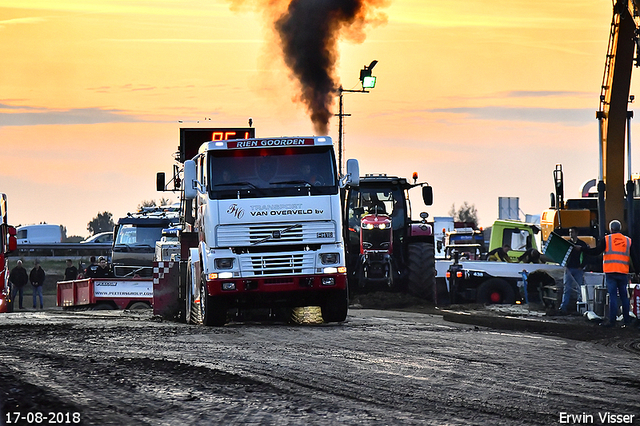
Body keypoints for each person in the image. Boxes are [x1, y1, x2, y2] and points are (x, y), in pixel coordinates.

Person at [582, 220, 633, 327]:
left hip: (611, 272)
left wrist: (583, 249)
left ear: (611, 229)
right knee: (624, 297)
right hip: (623, 272)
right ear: (620, 228)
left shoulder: (607, 239)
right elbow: (635, 257)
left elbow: (596, 251)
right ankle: (627, 321)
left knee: (613, 296)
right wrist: (637, 271)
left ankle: (612, 321)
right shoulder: (628, 240)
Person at [558, 227, 589, 315]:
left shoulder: (582, 244)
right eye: (570, 232)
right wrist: (565, 265)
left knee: (580, 289)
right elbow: (562, 255)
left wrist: (582, 266)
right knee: (567, 288)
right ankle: (563, 307)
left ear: (576, 233)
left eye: (572, 232)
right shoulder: (567, 244)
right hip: (569, 268)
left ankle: (580, 308)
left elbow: (586, 256)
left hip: (578, 269)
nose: (571, 234)